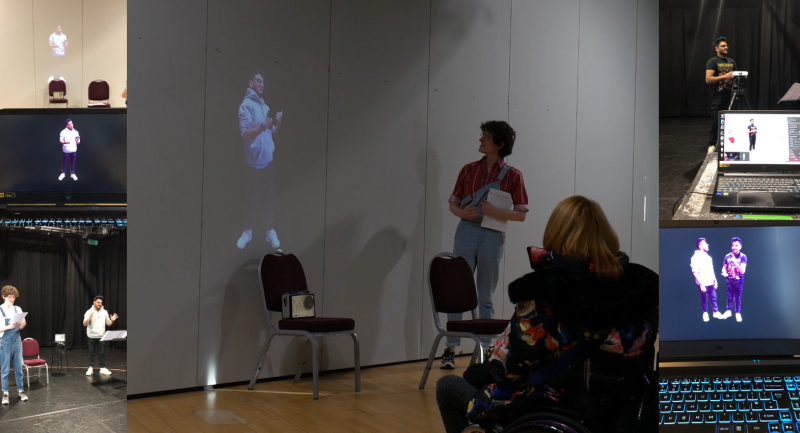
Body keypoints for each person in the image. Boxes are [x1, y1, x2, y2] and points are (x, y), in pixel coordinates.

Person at [435, 196, 658, 433]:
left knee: (447, 386)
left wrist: (483, 369)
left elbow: (507, 366)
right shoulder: (639, 290)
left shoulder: (542, 294)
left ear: (556, 236)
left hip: (548, 405)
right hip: (616, 414)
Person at [441, 120, 528, 369]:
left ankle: (487, 348)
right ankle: (450, 348)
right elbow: (453, 202)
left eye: (486, 137)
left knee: (486, 294)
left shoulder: (513, 175)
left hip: (492, 234)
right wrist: (461, 213)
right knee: (458, 290)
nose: (481, 140)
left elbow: (521, 213)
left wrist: (496, 212)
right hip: (466, 231)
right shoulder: (468, 170)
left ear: (499, 144)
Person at [237, 68, 283, 250]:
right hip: (253, 166)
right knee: (252, 200)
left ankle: (269, 231)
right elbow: (244, 134)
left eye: (263, 81)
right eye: (258, 80)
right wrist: (263, 126)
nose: (262, 84)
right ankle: (247, 232)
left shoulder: (264, 106)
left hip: (268, 163)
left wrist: (278, 125)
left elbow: (270, 136)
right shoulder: (246, 106)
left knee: (269, 199)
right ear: (251, 83)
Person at [706, 37, 737, 154]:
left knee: (728, 120)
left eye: (726, 45)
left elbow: (735, 77)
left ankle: (726, 142)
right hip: (716, 95)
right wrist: (725, 76)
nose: (726, 47)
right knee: (715, 120)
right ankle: (711, 144)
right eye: (723, 46)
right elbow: (708, 79)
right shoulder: (712, 62)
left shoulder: (731, 62)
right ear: (716, 48)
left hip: (729, 95)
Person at [0, 286, 28, 405]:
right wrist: (8, 327)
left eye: (13, 297)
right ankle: (5, 393)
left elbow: (20, 327)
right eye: (10, 297)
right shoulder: (0, 310)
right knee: (5, 370)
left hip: (17, 341)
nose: (12, 299)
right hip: (5, 342)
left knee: (18, 368)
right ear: (4, 296)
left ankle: (21, 391)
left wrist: (22, 324)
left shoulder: (17, 309)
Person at [82, 295, 119, 375]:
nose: (99, 304)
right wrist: (89, 319)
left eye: (101, 303)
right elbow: (84, 324)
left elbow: (108, 324)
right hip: (91, 336)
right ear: (94, 302)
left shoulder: (104, 312)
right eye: (98, 302)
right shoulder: (89, 312)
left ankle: (102, 368)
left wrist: (112, 320)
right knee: (91, 352)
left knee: (101, 352)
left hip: (101, 336)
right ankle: (90, 368)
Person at [691, 238, 722, 322]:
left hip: (710, 282)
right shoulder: (696, 257)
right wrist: (701, 284)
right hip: (703, 283)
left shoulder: (709, 257)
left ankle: (715, 312)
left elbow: (711, 270)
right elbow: (695, 272)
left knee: (713, 297)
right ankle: (705, 313)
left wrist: (715, 280)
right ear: (700, 246)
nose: (707, 245)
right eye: (705, 243)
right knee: (704, 298)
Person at [721, 237, 747, 322]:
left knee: (737, 298)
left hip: (739, 281)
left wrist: (735, 262)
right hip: (729, 280)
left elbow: (742, 271)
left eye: (736, 245)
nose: (734, 247)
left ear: (740, 246)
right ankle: (728, 311)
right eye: (733, 245)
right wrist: (724, 272)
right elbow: (724, 268)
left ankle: (737, 313)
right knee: (729, 296)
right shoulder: (727, 256)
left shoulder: (743, 257)